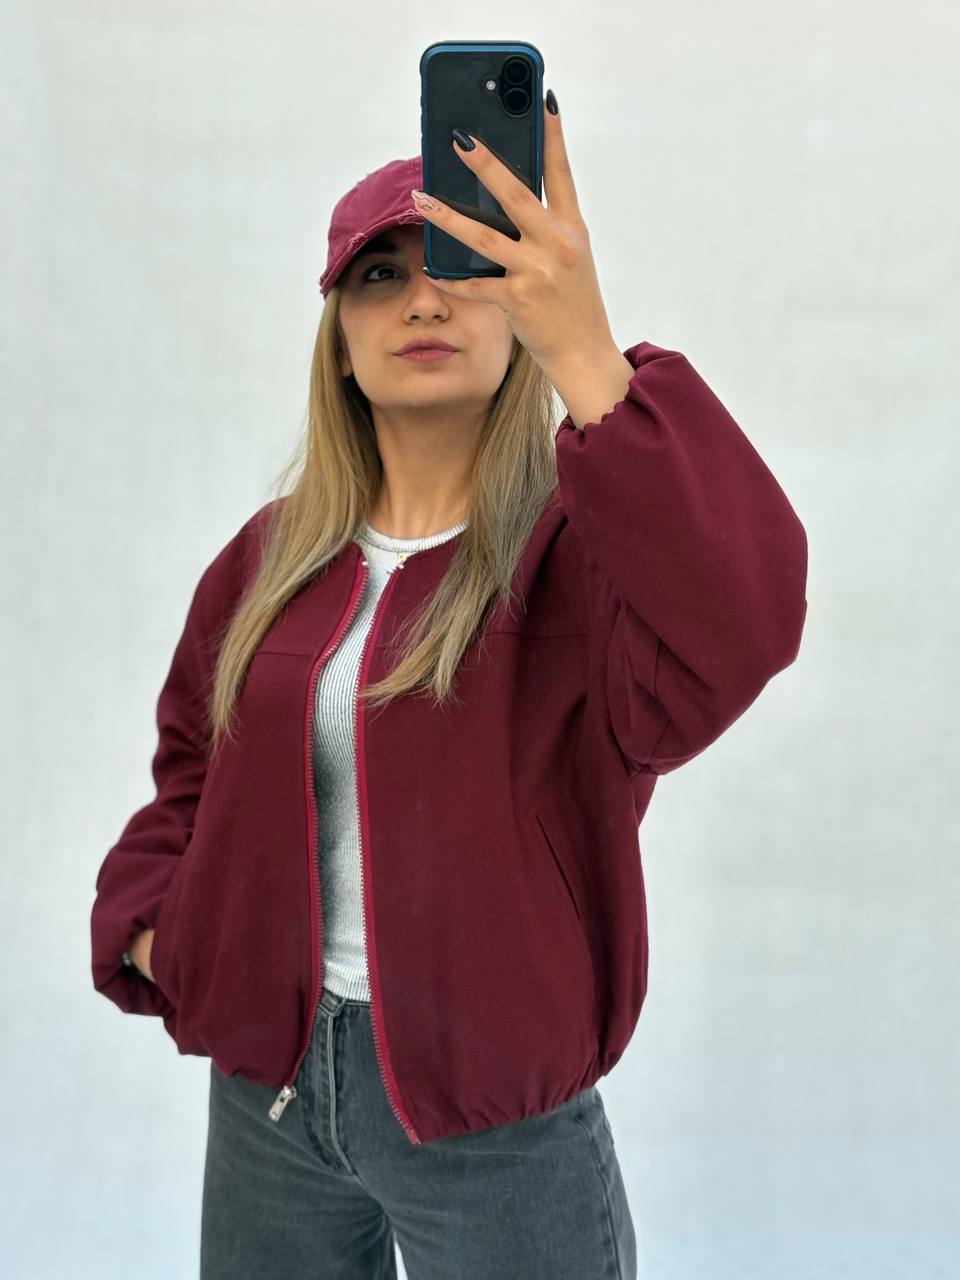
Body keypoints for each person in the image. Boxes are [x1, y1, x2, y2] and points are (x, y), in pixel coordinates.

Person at [90, 94, 808, 1279]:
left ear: (517, 312)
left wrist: (589, 355)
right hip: (270, 1097)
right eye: (380, 274)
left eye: (463, 267)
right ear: (338, 336)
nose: (423, 300)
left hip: (495, 1122)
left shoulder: (586, 555)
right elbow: (191, 770)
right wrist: (167, 933)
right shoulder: (269, 559)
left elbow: (744, 624)